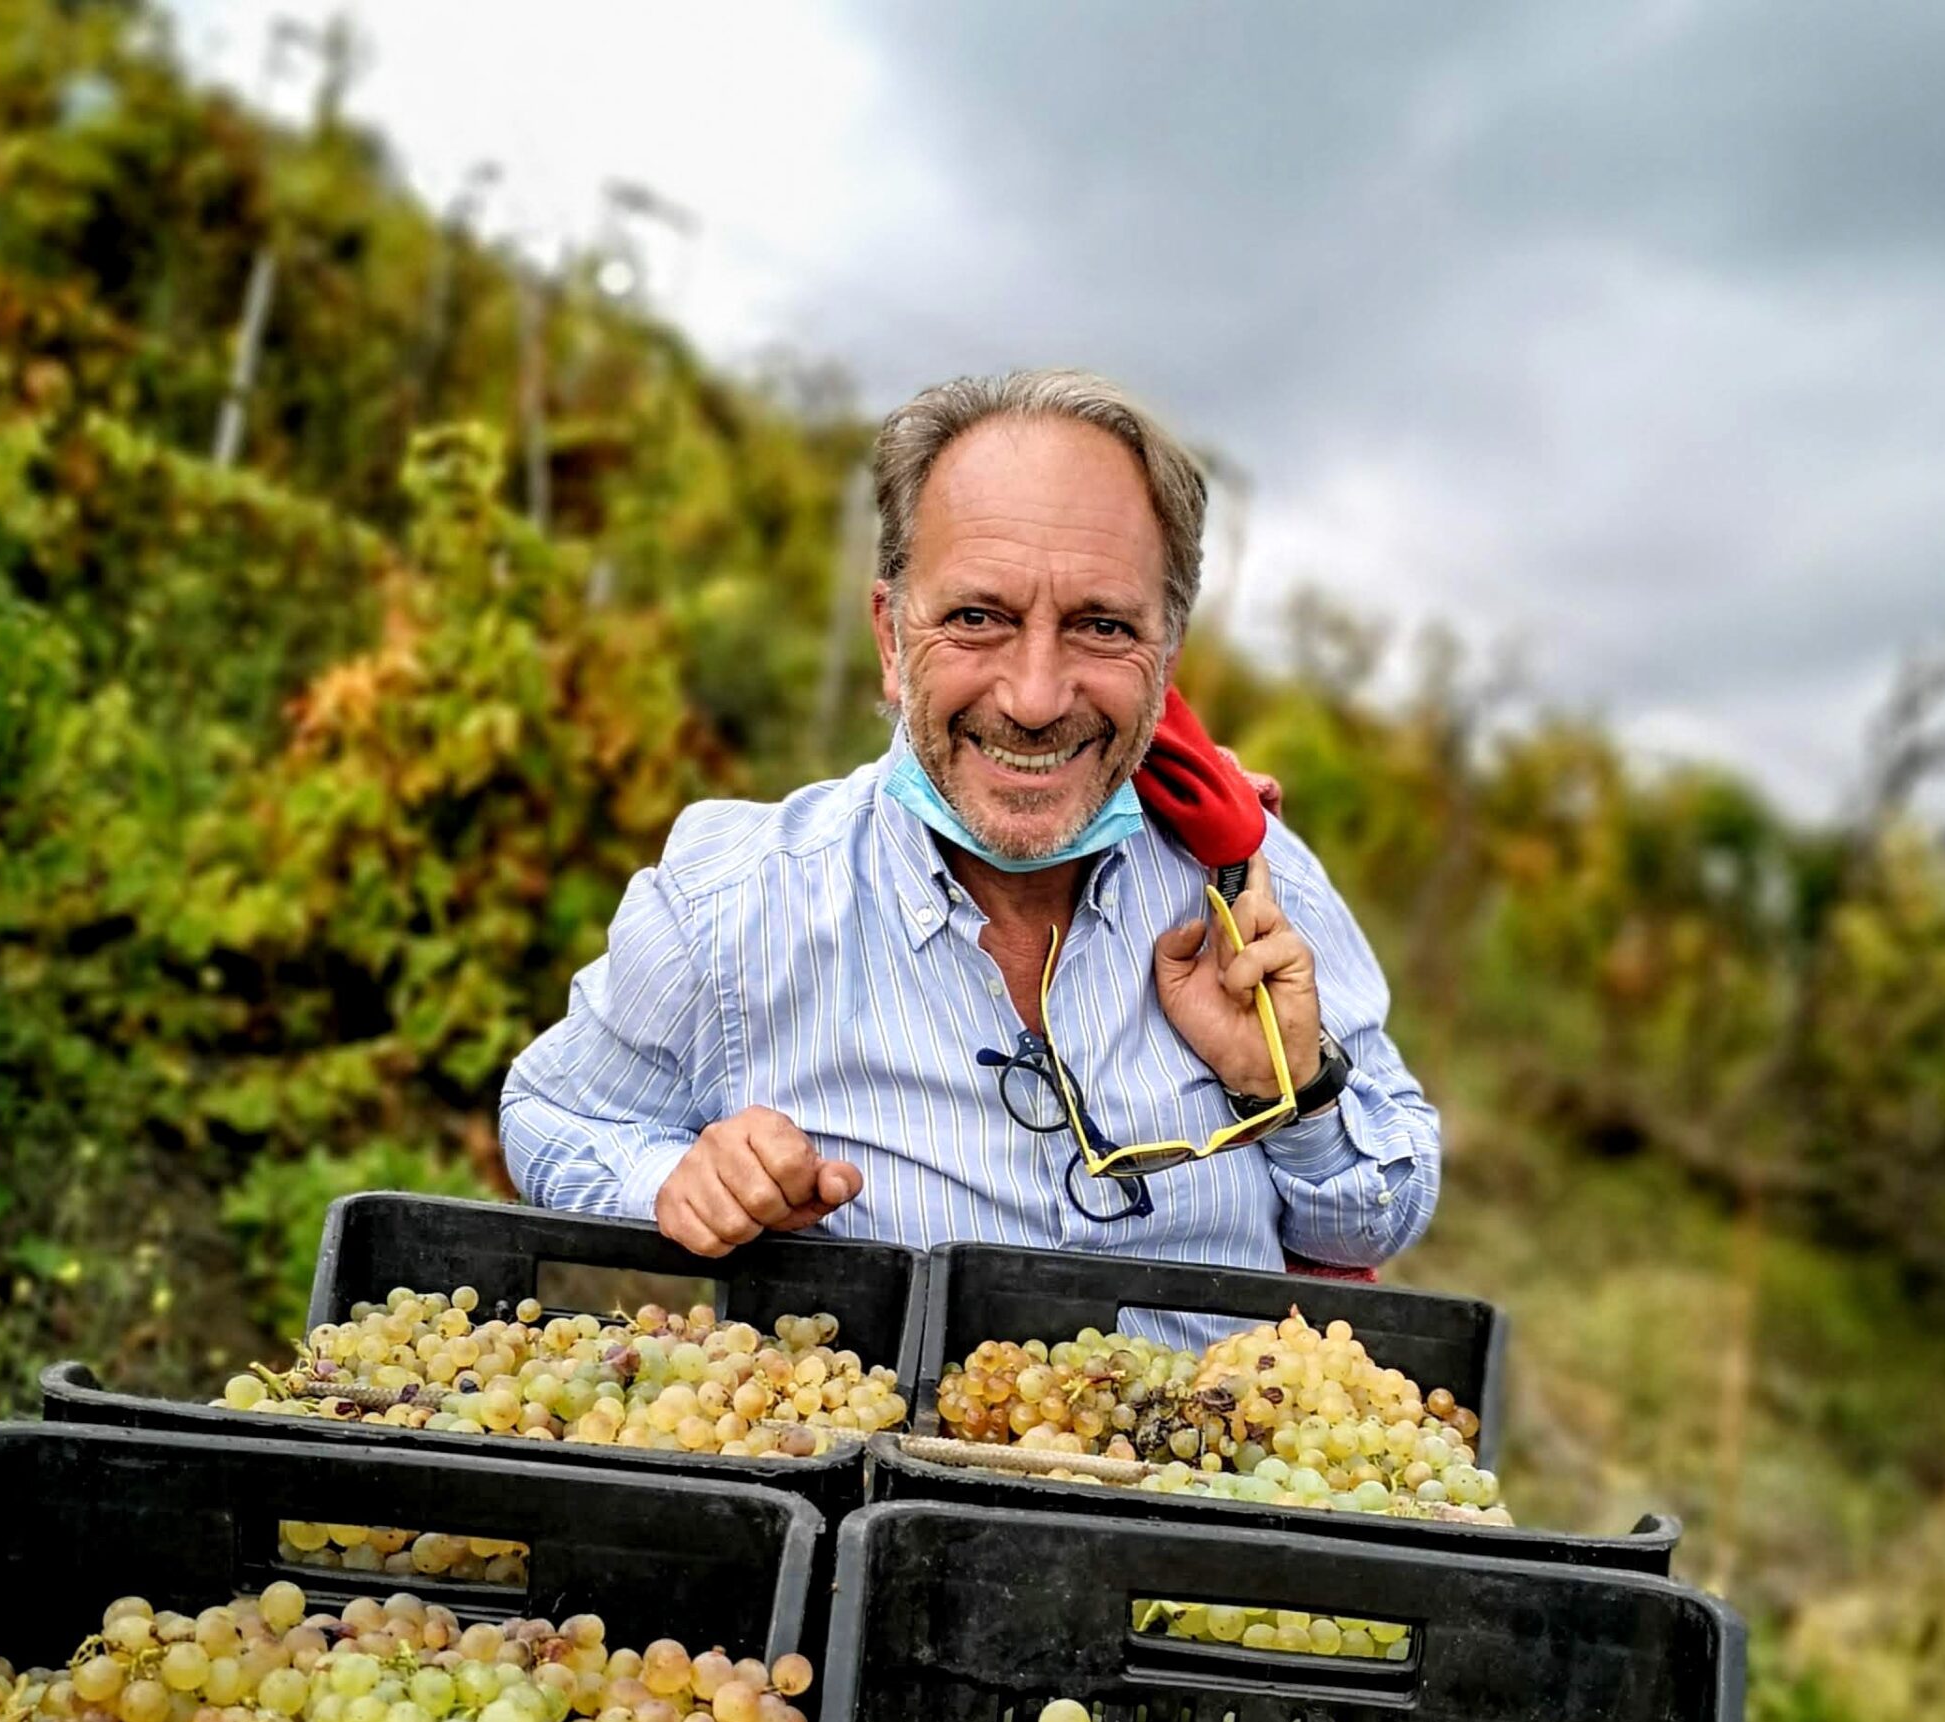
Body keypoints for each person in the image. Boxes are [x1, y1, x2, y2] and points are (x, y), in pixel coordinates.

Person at [501, 367, 1440, 1274]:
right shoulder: (733, 902)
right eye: (978, 616)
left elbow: (1377, 1222)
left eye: (1102, 626)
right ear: (889, 638)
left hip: (1212, 1429)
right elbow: (552, 1116)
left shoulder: (1249, 875)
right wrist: (676, 1181)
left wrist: (1289, 1087)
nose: (1034, 697)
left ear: (1168, 652)